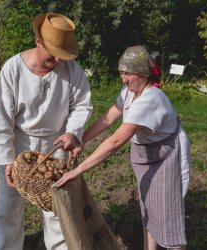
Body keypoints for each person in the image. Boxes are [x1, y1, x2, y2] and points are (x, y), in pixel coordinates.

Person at [55, 45, 190, 250]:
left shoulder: (150, 100)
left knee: (166, 213)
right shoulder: (129, 92)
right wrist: (81, 138)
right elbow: (109, 118)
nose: (124, 79)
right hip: (146, 154)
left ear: (143, 73)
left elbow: (116, 141)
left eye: (129, 73)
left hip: (166, 156)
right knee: (148, 208)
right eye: (122, 73)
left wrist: (78, 170)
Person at [0, 13, 93, 250]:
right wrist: (6, 159)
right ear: (38, 41)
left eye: (61, 53)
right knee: (8, 207)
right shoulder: (13, 69)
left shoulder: (71, 69)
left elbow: (82, 104)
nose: (57, 58)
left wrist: (72, 132)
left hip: (56, 147)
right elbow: (1, 117)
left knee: (58, 208)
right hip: (19, 146)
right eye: (52, 52)